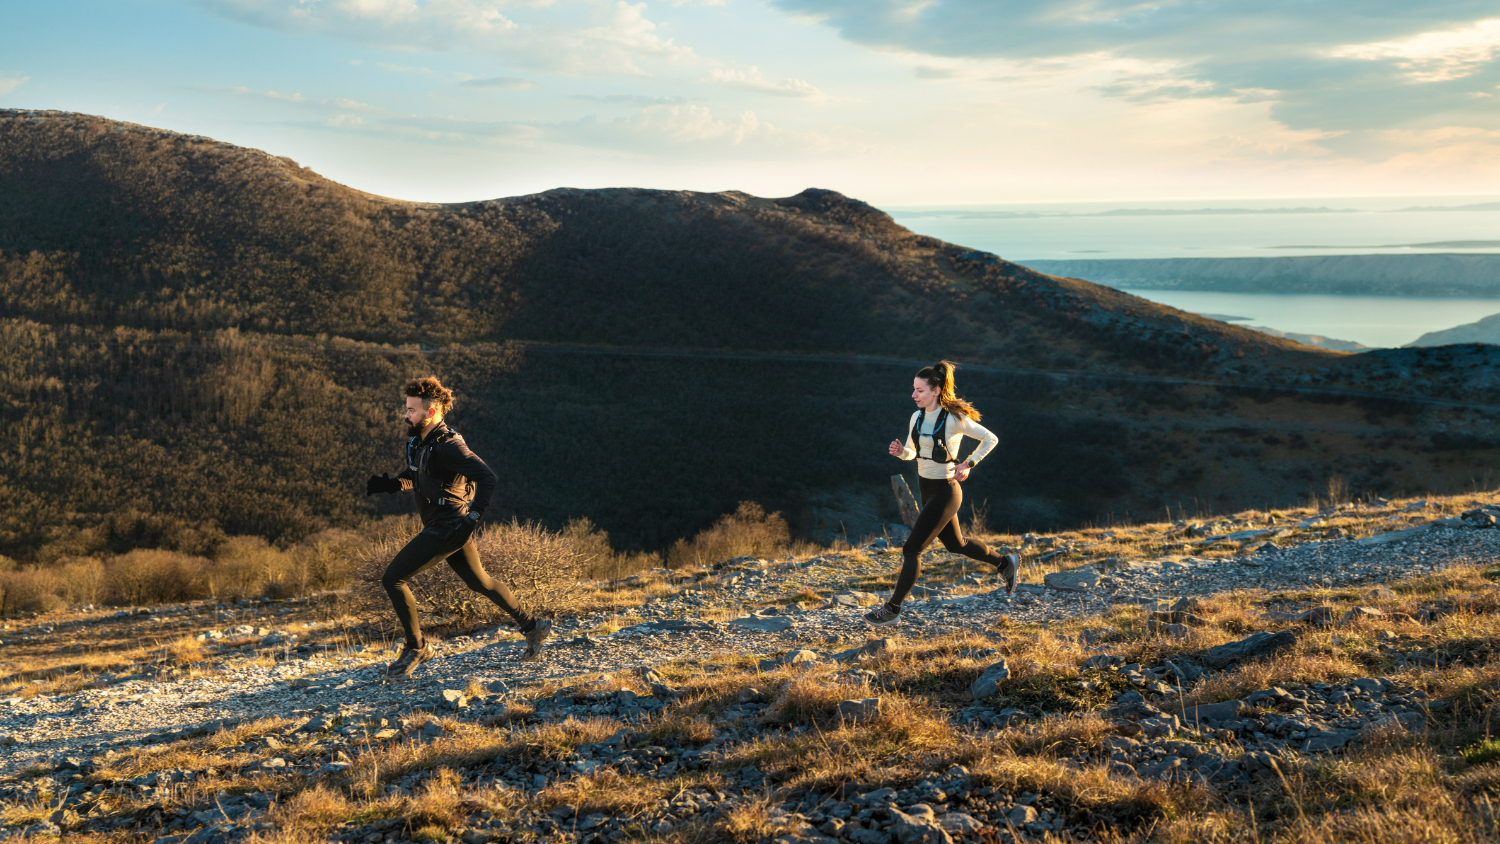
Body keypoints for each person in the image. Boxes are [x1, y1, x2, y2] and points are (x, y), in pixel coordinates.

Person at [366, 376, 551, 676]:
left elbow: (488, 477)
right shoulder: (419, 442)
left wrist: (471, 521)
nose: (405, 415)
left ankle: (417, 647)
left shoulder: (450, 445)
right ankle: (533, 626)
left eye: (411, 410)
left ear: (430, 413)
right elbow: (417, 476)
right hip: (447, 527)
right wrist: (390, 484)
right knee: (481, 583)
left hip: (448, 527)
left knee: (393, 579)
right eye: (406, 408)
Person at [865, 361, 1020, 627]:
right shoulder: (916, 417)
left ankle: (892, 609)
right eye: (914, 389)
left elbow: (990, 439)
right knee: (956, 545)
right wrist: (901, 452)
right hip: (926, 489)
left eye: (920, 390)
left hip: (946, 492)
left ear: (936, 391)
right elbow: (913, 453)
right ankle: (1006, 563)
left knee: (912, 549)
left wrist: (968, 463)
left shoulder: (953, 419)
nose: (914, 395)